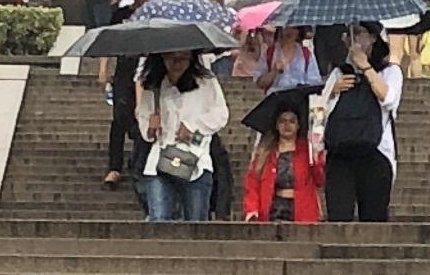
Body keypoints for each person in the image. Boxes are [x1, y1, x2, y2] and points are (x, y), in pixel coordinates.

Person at [132, 50, 228, 224]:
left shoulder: (205, 82)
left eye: (183, 58)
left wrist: (192, 128)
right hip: (160, 161)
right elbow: (145, 124)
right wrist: (151, 127)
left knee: (195, 223)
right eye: (170, 58)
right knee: (159, 219)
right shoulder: (153, 86)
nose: (177, 64)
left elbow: (220, 115)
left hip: (196, 160)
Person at [320, 35, 400, 223]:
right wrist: (332, 90)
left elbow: (388, 98)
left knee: (374, 217)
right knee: (338, 215)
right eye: (351, 32)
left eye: (360, 32)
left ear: (373, 38)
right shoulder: (339, 73)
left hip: (376, 151)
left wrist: (365, 67)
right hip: (339, 151)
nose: (354, 38)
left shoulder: (390, 72)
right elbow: (321, 108)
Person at [240, 91, 325, 226]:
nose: (287, 125)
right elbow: (252, 183)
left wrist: (316, 156)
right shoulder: (264, 152)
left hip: (303, 211)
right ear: (276, 125)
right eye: (283, 121)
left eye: (292, 121)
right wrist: (252, 208)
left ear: (298, 125)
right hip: (273, 208)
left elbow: (320, 181)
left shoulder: (308, 149)